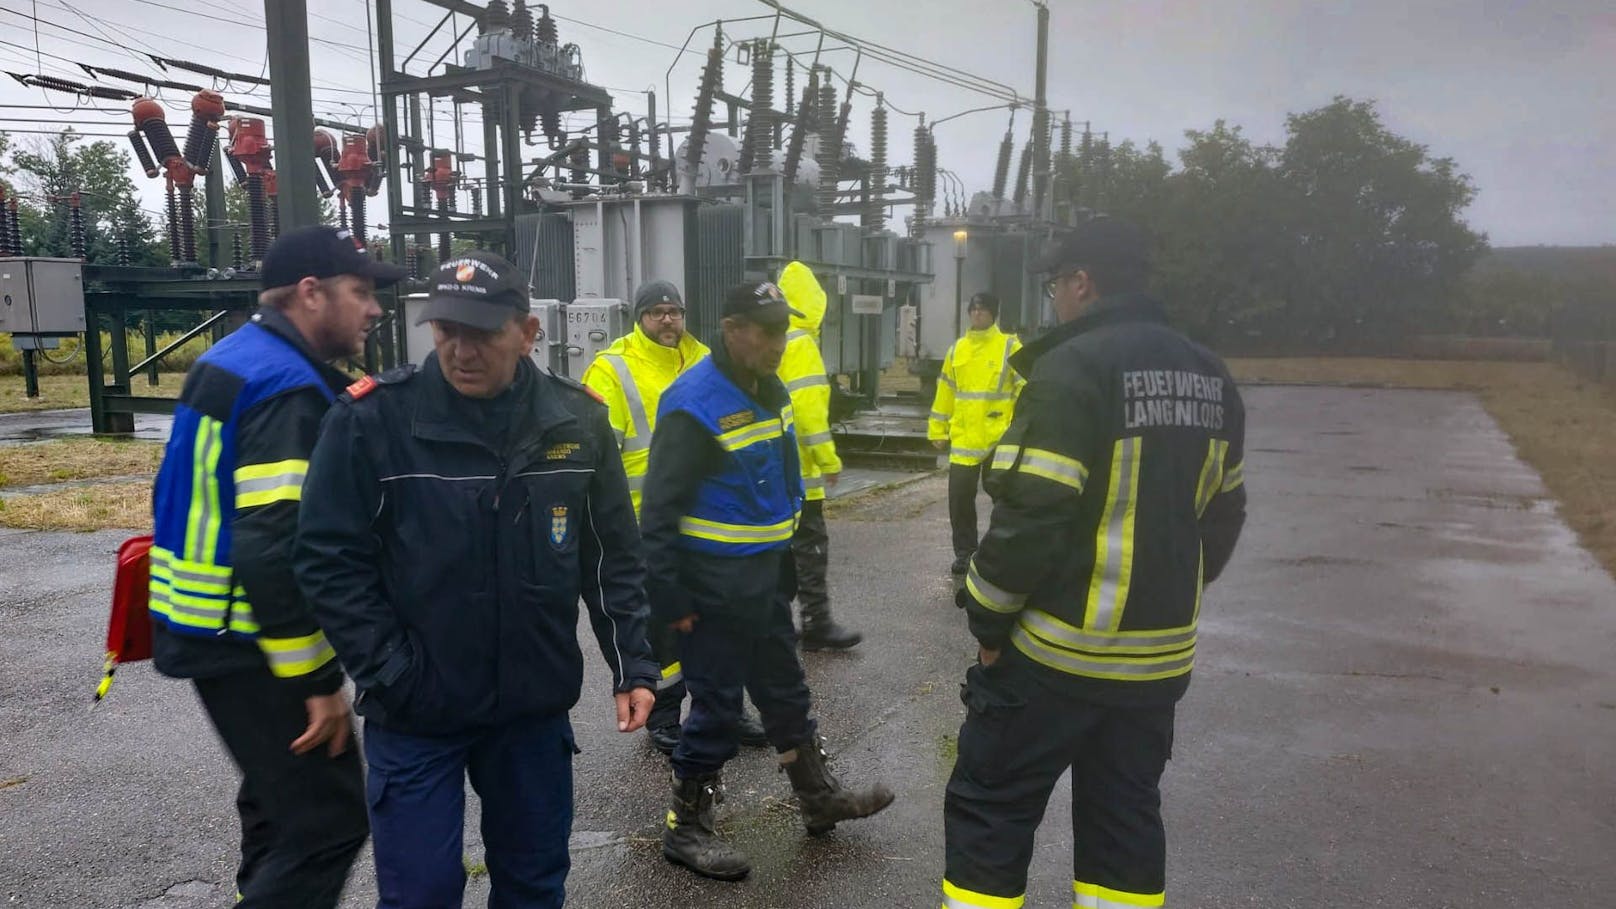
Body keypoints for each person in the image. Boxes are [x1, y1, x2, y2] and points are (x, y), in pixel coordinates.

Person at [293, 251, 658, 909]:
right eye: (446, 330)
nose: (462, 349)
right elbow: (327, 559)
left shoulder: (577, 423)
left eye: (483, 332)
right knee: (421, 895)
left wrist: (633, 663)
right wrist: (392, 670)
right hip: (417, 710)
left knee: (533, 886)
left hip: (530, 710)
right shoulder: (373, 422)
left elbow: (610, 555)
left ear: (527, 332)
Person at [942, 218, 1248, 909]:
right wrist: (1167, 595)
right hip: (1155, 666)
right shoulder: (1210, 376)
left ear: (1082, 281)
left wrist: (988, 621)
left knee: (990, 810)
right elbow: (1225, 513)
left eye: (1055, 285)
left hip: (1054, 656)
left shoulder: (1073, 369)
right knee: (1123, 825)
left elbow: (1030, 516)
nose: (1054, 299)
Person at [146, 225, 403, 906]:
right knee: (328, 820)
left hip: (206, 625)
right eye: (361, 291)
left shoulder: (236, 357)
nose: (375, 309)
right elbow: (274, 549)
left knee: (278, 803)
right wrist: (317, 680)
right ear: (311, 293)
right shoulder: (288, 391)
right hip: (251, 640)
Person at [640, 281, 895, 881]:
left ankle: (818, 797)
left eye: (784, 329)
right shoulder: (693, 403)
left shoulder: (771, 387)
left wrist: (783, 563)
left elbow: (779, 478)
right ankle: (686, 830)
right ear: (734, 330)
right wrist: (670, 596)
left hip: (760, 583)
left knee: (785, 693)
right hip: (710, 592)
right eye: (768, 330)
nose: (780, 342)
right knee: (718, 710)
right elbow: (657, 513)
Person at [581, 280, 769, 755]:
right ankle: (664, 717)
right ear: (640, 317)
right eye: (658, 311)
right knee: (660, 626)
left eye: (675, 311)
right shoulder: (613, 369)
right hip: (644, 523)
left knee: (718, 622)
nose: (668, 319)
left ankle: (724, 710)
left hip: (707, 521)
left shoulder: (708, 359)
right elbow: (597, 450)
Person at [775, 261, 861, 651]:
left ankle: (774, 620)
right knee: (810, 550)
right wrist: (829, 461)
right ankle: (817, 623)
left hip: (773, 468)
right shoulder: (803, 345)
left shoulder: (775, 339)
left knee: (781, 552)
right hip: (802, 473)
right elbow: (810, 414)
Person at [928, 291, 1025, 575]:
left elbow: (1024, 389)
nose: (977, 314)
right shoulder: (957, 350)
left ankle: (1003, 550)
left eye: (982, 310)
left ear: (994, 314)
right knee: (959, 502)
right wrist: (937, 428)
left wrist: (1019, 427)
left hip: (999, 438)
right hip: (964, 439)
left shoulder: (1010, 347)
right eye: (973, 310)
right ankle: (965, 553)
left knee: (1004, 500)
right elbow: (945, 390)